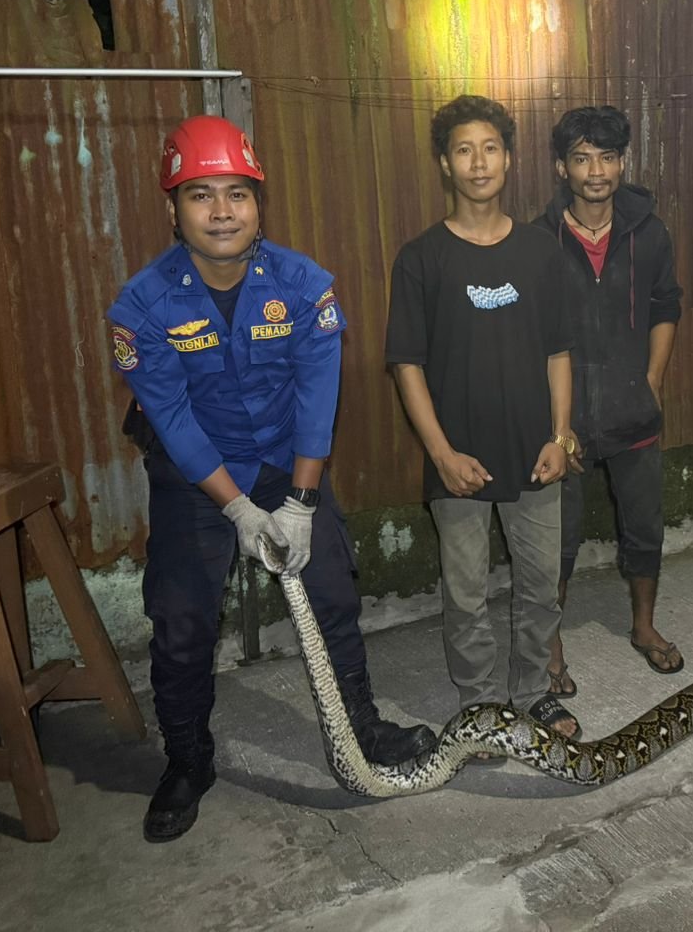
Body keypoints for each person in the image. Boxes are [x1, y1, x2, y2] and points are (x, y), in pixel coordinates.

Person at [108, 114, 435, 843]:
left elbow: (318, 400)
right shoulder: (143, 306)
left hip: (287, 463)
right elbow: (172, 417)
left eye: (238, 193)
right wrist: (237, 511)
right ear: (174, 210)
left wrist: (301, 503)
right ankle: (187, 761)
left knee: (332, 595)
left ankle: (360, 728)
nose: (222, 211)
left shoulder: (303, 286)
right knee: (183, 620)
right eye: (201, 195)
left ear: (259, 204)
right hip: (196, 474)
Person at [386, 95, 582, 741]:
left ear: (508, 159)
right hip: (459, 460)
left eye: (490, 148)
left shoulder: (540, 252)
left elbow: (558, 351)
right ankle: (479, 704)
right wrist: (441, 454)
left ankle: (533, 693)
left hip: (535, 454)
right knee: (466, 594)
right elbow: (407, 365)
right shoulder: (422, 258)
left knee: (541, 587)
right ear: (445, 164)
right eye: (464, 150)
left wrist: (560, 436)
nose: (478, 162)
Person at [535, 105, 685, 694]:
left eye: (607, 157)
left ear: (622, 163)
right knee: (557, 541)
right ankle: (551, 649)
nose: (595, 171)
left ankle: (644, 627)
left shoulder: (650, 233)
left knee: (644, 527)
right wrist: (554, 422)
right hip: (564, 422)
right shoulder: (538, 239)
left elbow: (666, 306)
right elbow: (532, 334)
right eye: (581, 158)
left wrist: (653, 380)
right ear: (562, 168)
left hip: (632, 410)